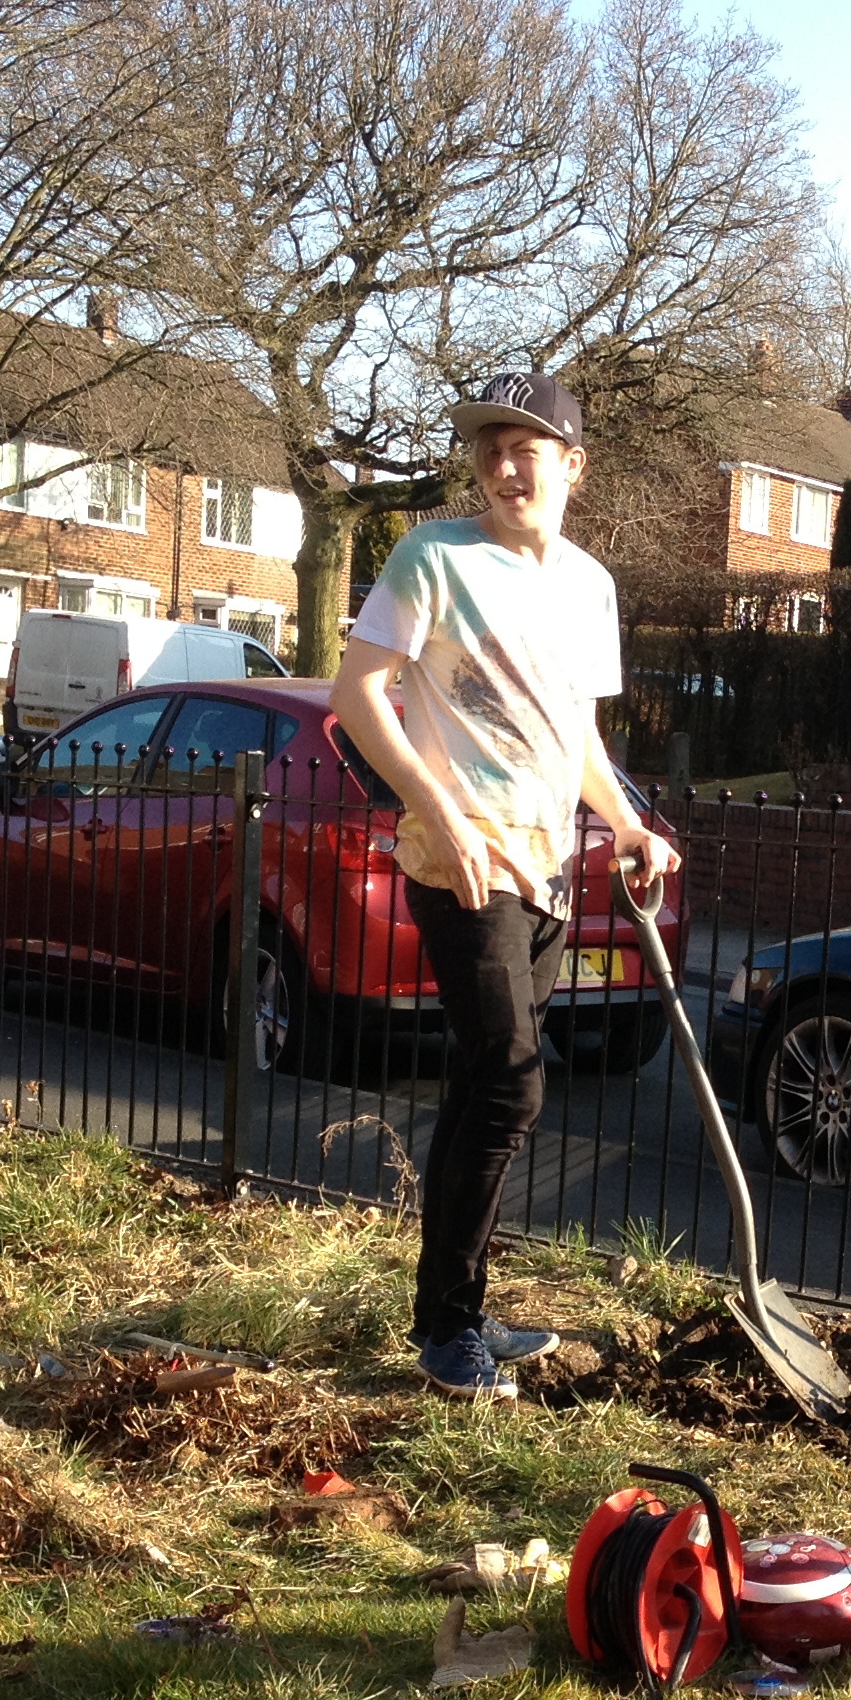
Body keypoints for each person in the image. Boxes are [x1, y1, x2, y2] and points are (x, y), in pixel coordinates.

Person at [330, 370, 680, 1401]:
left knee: (485, 1086)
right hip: (461, 861)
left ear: (574, 464)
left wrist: (625, 821)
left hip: (546, 868)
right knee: (513, 1079)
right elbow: (357, 694)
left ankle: (458, 1309)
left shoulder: (589, 586)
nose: (502, 464)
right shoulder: (434, 556)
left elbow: (574, 730)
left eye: (525, 446)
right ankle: (447, 1331)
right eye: (489, 446)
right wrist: (437, 809)